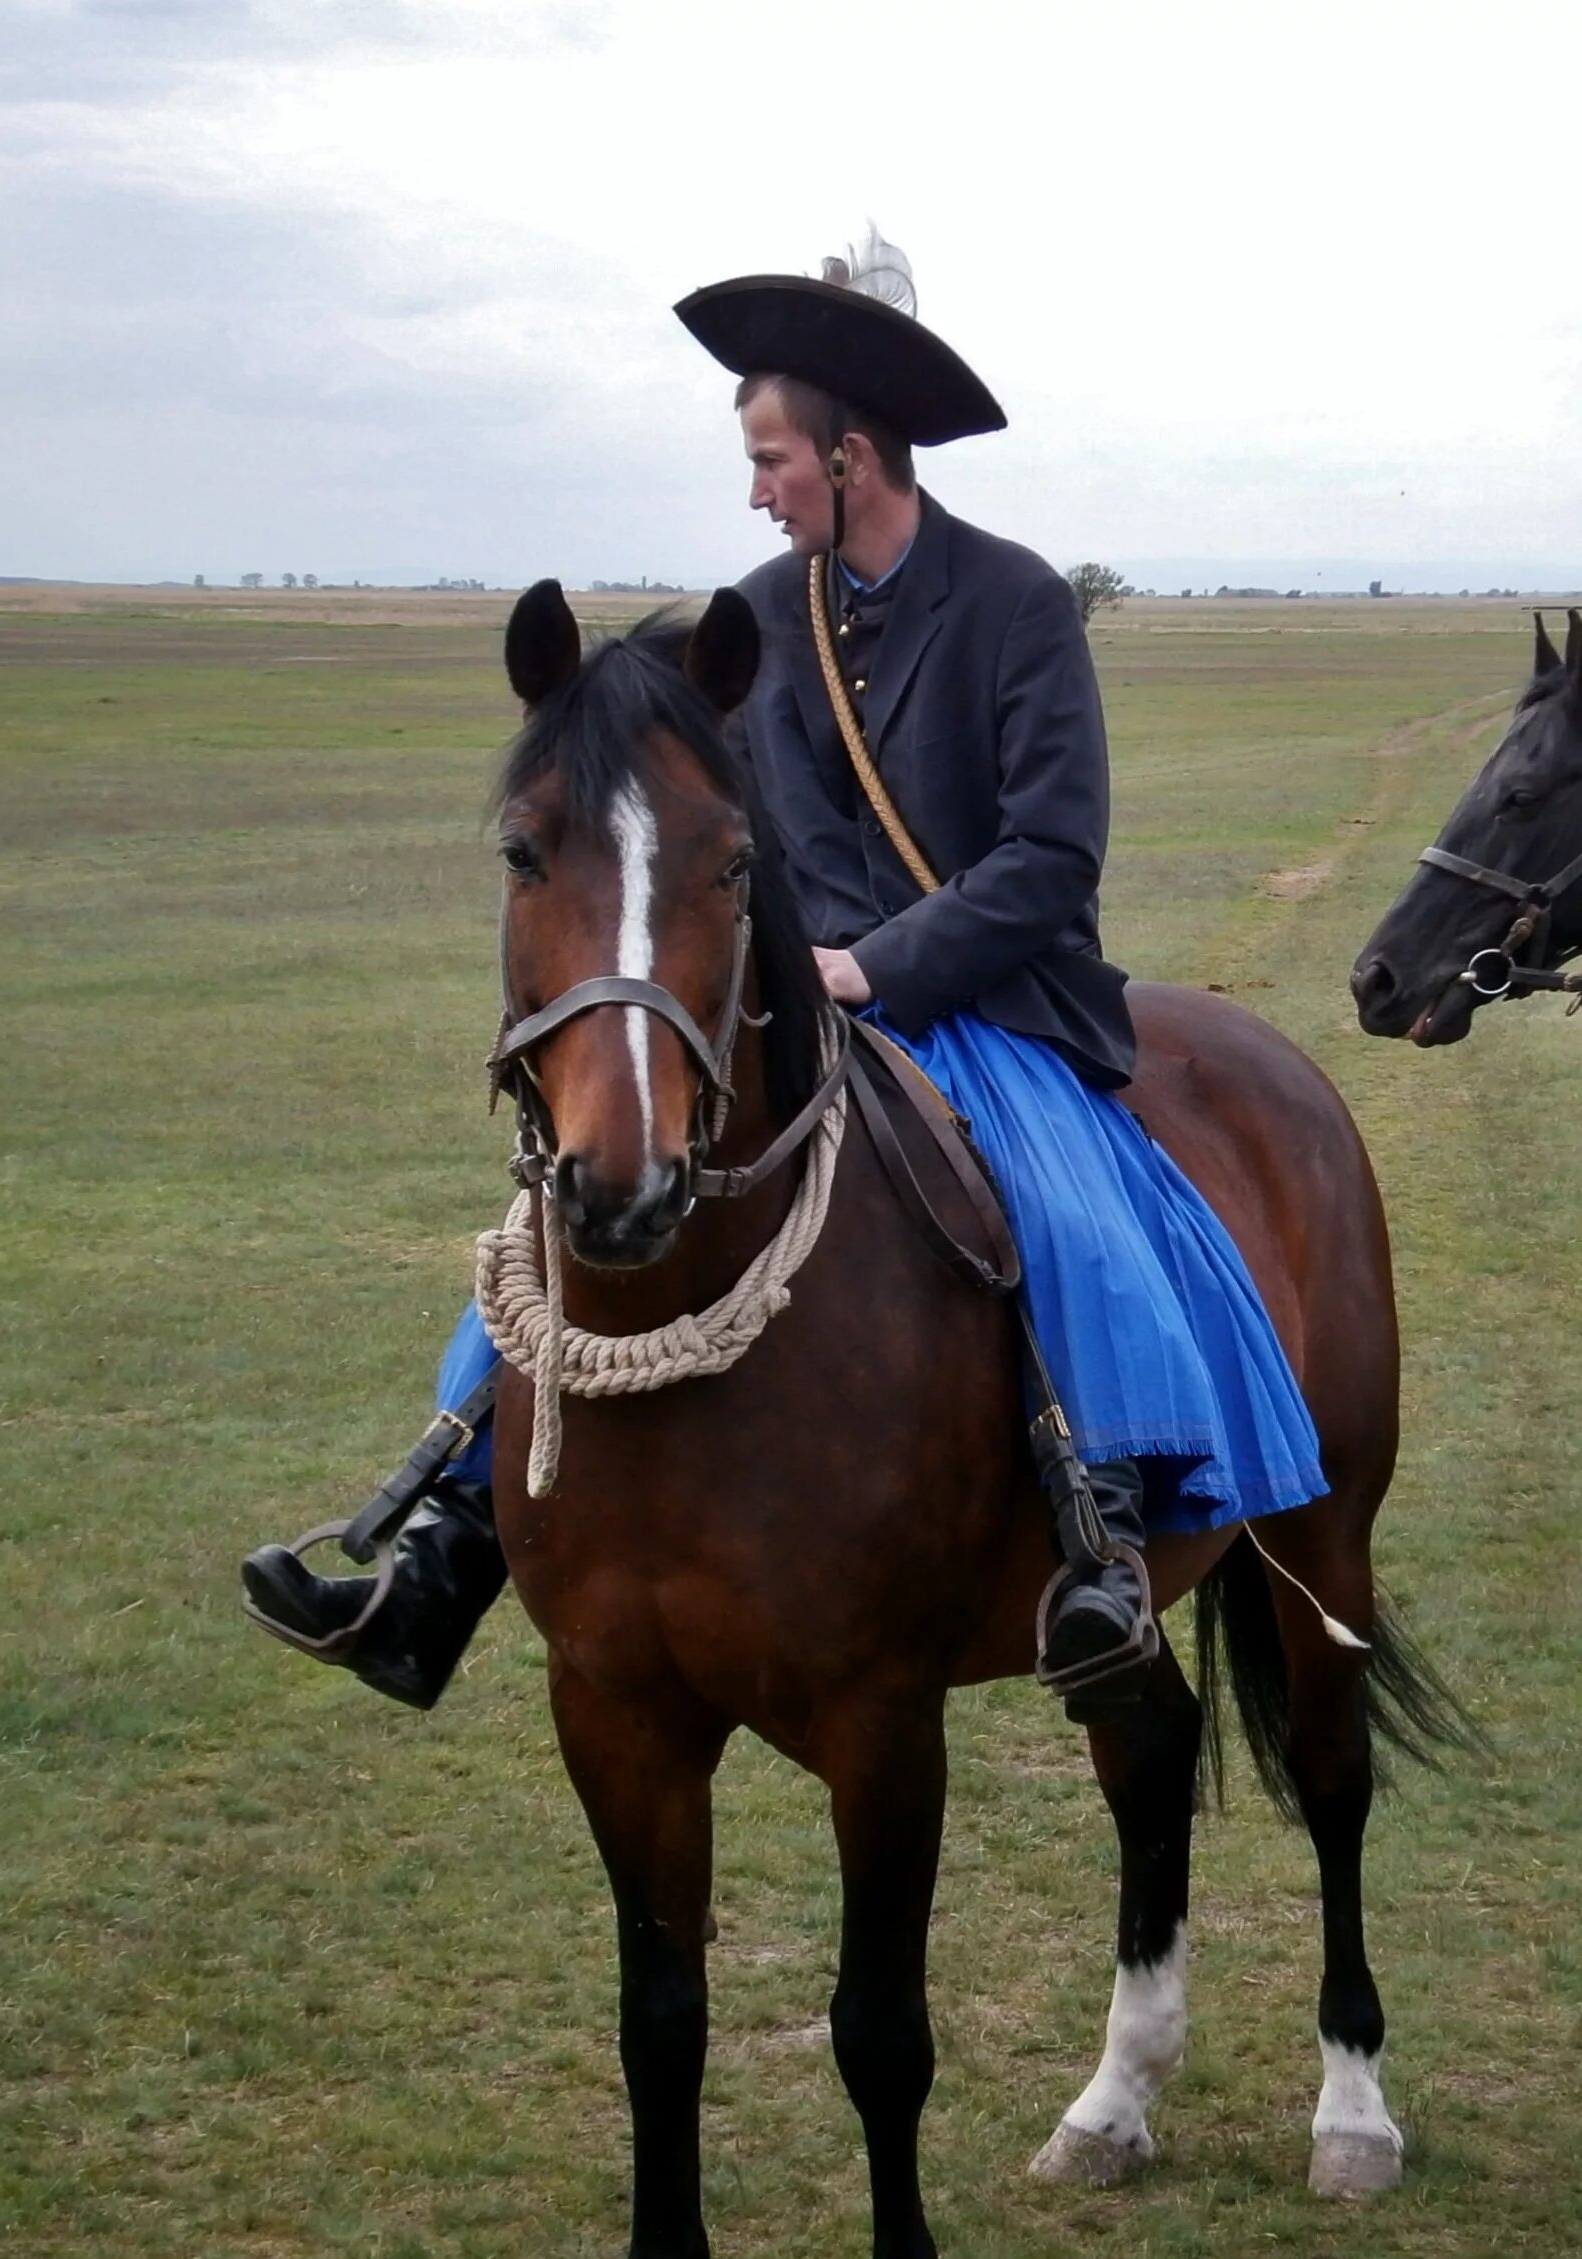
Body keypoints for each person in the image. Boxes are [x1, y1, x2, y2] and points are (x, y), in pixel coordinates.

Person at [243, 235, 1327, 1715]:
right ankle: (441, 1536)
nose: (756, 489)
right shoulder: (752, 620)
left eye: (771, 458)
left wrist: (879, 966)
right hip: (800, 999)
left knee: (1062, 1195)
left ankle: (1103, 1529)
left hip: (990, 1000)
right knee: (556, 1217)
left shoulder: (1017, 605)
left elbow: (1051, 860)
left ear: (854, 453)